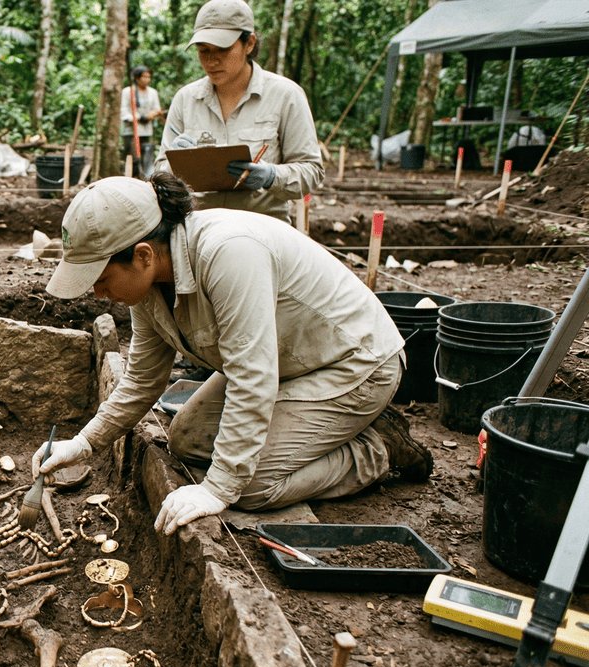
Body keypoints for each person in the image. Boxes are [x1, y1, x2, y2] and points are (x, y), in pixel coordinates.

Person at [33, 173, 433, 535]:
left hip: (355, 365)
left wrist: (219, 489)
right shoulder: (146, 289)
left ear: (142, 255)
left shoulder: (228, 252)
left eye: (101, 279)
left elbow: (252, 377)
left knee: (251, 486)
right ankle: (315, 432)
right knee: (187, 442)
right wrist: (84, 443)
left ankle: (376, 449)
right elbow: (141, 379)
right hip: (286, 365)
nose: (97, 293)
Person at [154, 0, 323, 224]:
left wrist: (272, 176)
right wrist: (173, 166)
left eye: (223, 50)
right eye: (203, 51)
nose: (212, 61)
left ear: (249, 44)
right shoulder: (186, 99)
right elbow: (159, 174)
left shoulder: (286, 95)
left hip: (263, 227)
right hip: (197, 228)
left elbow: (311, 171)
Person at [121, 66, 165, 180]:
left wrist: (153, 113)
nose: (147, 79)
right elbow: (124, 113)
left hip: (146, 131)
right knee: (134, 158)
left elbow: (157, 108)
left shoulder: (153, 92)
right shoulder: (128, 91)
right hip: (131, 131)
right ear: (137, 78)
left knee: (147, 158)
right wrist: (141, 117)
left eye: (148, 77)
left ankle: (145, 179)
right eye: (144, 77)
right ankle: (131, 178)